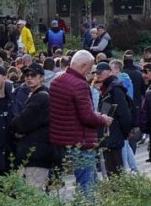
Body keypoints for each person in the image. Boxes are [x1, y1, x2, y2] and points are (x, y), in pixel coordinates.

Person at [47, 50, 113, 196]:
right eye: (89, 69)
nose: (90, 73)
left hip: (61, 141)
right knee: (87, 187)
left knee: (82, 183)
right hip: (80, 142)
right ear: (83, 66)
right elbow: (87, 116)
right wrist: (103, 119)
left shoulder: (57, 80)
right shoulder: (79, 84)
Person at [10, 63, 53, 190]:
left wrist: (15, 125)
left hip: (37, 154)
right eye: (26, 75)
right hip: (35, 152)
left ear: (41, 77)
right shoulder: (36, 95)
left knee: (32, 194)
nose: (29, 78)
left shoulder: (41, 98)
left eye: (33, 75)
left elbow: (21, 123)